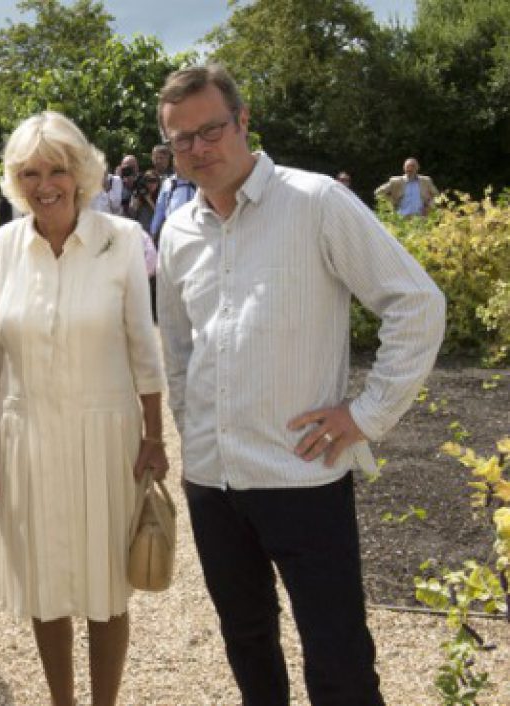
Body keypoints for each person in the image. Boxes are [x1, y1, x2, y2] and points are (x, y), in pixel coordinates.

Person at [156, 64, 445, 705]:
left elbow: (417, 303)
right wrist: (192, 424)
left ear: (244, 121)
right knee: (248, 642)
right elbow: (177, 347)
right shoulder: (177, 231)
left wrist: (366, 415)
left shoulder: (316, 202)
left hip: (302, 477)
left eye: (211, 131)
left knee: (338, 656)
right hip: (212, 479)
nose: (199, 149)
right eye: (182, 140)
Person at [0, 111, 168, 706]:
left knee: (108, 584)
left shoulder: (121, 240)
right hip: (25, 434)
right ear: (14, 180)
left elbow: (143, 346)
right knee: (44, 579)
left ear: (81, 173)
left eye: (56, 169)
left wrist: (154, 436)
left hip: (107, 436)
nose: (44, 183)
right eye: (29, 172)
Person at [128, 169, 162, 320]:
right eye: (147, 180)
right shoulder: (137, 194)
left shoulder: (161, 195)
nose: (150, 184)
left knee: (156, 277)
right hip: (141, 239)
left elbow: (159, 214)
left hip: (156, 238)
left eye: (153, 180)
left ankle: (155, 311)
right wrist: (137, 199)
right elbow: (131, 214)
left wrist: (149, 199)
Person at [375, 157, 440, 216]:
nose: (410, 169)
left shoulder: (426, 181)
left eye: (413, 166)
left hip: (421, 218)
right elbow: (378, 192)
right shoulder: (396, 181)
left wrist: (428, 207)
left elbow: (436, 195)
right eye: (408, 167)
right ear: (404, 168)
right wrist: (391, 201)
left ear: (417, 168)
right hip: (401, 217)